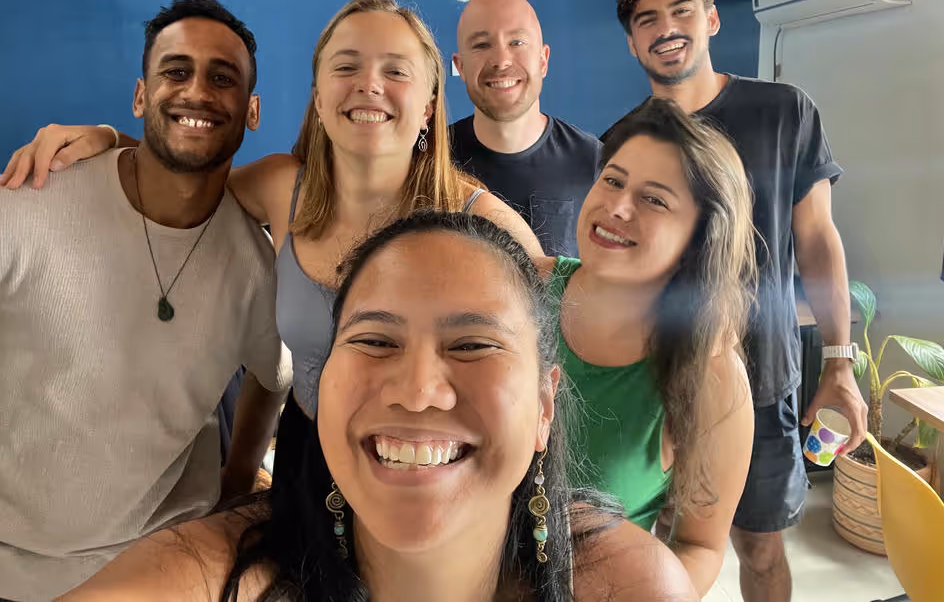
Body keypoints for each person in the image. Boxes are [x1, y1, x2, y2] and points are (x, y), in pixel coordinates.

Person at [0, 0, 542, 474]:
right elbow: (182, 173)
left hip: (428, 458)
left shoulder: (481, 222)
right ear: (320, 98)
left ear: (428, 106)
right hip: (309, 459)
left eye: (396, 71)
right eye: (346, 66)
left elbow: (565, 336)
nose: (368, 84)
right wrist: (107, 139)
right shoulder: (284, 187)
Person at [57, 211, 699, 602]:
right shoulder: (207, 578)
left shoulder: (627, 585)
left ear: (544, 406)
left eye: (473, 344)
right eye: (374, 340)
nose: (417, 390)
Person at [0, 0, 292, 601]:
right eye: (175, 71)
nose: (197, 92)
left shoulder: (256, 265)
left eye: (222, 78)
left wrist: (239, 475)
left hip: (158, 563)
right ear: (140, 97)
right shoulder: (29, 198)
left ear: (251, 110)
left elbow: (276, 374)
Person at [611, 0, 868, 602]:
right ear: (632, 40)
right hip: (654, 383)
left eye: (681, 12)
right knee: (651, 553)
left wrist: (839, 363)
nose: (665, 29)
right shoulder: (625, 139)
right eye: (647, 20)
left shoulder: (784, 112)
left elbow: (817, 240)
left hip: (760, 378)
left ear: (712, 19)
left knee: (759, 548)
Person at [537, 101, 757, 596]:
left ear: (698, 237)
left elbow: (700, 547)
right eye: (612, 181)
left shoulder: (713, 375)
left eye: (654, 200)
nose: (617, 207)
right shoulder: (523, 287)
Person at [450, 0, 602, 256]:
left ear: (543, 61)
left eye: (517, 42)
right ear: (460, 67)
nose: (501, 61)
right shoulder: (429, 159)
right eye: (482, 45)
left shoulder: (595, 164)